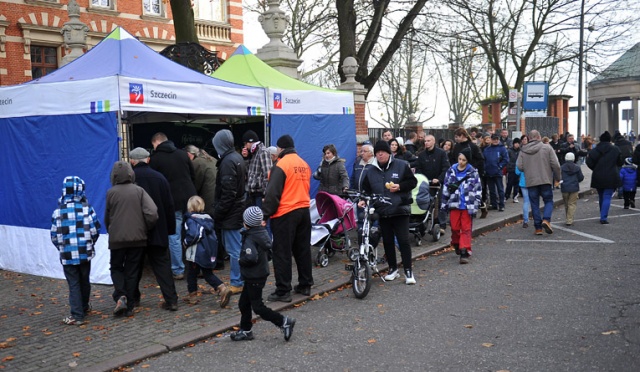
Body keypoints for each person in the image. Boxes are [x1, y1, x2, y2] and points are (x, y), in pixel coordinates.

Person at [230, 206, 296, 342]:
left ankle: (283, 321)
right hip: (256, 275)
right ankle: (246, 330)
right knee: (244, 303)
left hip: (254, 276)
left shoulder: (250, 238)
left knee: (258, 307)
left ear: (246, 222)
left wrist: (240, 260)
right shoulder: (261, 233)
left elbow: (250, 257)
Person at [263, 135, 314, 302]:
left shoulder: (280, 165)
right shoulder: (304, 164)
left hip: (285, 213)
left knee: (282, 252)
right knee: (302, 250)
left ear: (280, 148)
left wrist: (265, 214)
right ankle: (305, 285)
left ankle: (283, 290)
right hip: (304, 210)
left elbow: (272, 193)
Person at [105, 161, 158, 317]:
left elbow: (107, 217)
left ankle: (121, 295)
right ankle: (130, 304)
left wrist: (111, 230)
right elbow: (152, 213)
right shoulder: (139, 191)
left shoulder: (111, 193)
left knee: (116, 267)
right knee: (132, 270)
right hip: (137, 238)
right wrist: (145, 227)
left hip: (117, 239)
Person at [360, 140, 418, 284]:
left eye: (383, 152)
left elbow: (412, 182)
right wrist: (363, 199)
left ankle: (408, 272)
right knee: (387, 241)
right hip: (383, 211)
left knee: (404, 241)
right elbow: (366, 189)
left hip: (400, 210)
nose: (380, 155)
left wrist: (399, 187)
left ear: (388, 153)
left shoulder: (401, 165)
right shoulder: (371, 170)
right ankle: (393, 269)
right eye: (377, 153)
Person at [129, 147, 179, 311]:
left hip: (136, 232)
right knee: (163, 267)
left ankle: (133, 299)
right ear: (148, 160)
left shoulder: (130, 180)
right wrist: (170, 230)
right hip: (158, 230)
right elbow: (169, 206)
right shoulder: (160, 178)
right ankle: (171, 300)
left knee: (134, 267)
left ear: (132, 161)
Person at [51, 176, 101, 325]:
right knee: (84, 281)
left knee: (73, 283)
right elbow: (95, 230)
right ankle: (84, 307)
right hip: (85, 252)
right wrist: (90, 244)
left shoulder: (58, 212)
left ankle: (77, 315)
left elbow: (54, 235)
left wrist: (62, 247)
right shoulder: (87, 209)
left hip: (67, 254)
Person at [149, 132, 197, 280]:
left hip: (172, 201)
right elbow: (192, 175)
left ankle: (178, 269)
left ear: (156, 143)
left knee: (174, 236)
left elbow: (154, 183)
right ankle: (196, 265)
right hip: (190, 199)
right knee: (194, 233)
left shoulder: (156, 159)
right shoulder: (183, 154)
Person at [212, 129, 247, 294]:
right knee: (236, 247)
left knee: (234, 249)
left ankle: (237, 281)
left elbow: (228, 194)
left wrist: (216, 213)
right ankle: (240, 279)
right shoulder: (237, 157)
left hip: (231, 213)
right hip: (237, 210)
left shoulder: (227, 162)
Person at [182, 196, 231, 308]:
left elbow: (194, 234)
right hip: (207, 251)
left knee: (192, 274)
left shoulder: (191, 220)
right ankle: (222, 287)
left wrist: (185, 242)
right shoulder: (208, 219)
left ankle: (193, 295)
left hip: (196, 252)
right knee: (207, 273)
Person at [184, 145, 225, 269]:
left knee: (207, 234)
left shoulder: (197, 163)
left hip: (206, 203)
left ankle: (208, 261)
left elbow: (195, 185)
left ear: (189, 154)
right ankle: (219, 260)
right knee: (217, 232)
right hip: (217, 201)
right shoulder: (211, 159)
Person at [440, 149, 482, 264]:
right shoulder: (451, 171)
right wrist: (444, 203)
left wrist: (477, 202)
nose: (461, 162)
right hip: (454, 204)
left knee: (466, 228)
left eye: (464, 160)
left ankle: (464, 250)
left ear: (468, 161)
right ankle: (457, 243)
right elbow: (446, 187)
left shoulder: (473, 172)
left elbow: (478, 188)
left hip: (468, 205)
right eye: (460, 159)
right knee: (454, 227)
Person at [516, 130, 561, 235]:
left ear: (529, 138)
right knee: (548, 201)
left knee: (534, 204)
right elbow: (556, 165)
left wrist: (528, 169)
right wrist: (558, 178)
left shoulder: (523, 150)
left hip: (531, 181)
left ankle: (538, 228)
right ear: (539, 137)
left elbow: (519, 166)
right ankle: (546, 219)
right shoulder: (547, 148)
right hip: (545, 179)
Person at [415, 134, 450, 233]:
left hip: (439, 182)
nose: (426, 143)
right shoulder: (421, 155)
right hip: (426, 183)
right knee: (426, 202)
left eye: (429, 141)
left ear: (434, 142)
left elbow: (446, 168)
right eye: (425, 141)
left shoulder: (441, 153)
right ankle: (423, 223)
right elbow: (419, 169)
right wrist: (423, 179)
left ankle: (441, 224)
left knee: (441, 203)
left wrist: (439, 179)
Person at [586, 131, 623, 224]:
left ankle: (602, 213)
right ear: (609, 140)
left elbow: (589, 162)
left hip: (598, 175)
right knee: (607, 196)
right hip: (611, 175)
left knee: (601, 196)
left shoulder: (595, 150)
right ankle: (603, 216)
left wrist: (595, 168)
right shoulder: (615, 149)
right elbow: (620, 162)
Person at [450, 128, 487, 218]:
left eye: (457, 137)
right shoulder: (456, 147)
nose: (456, 139)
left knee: (472, 192)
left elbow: (480, 159)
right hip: (459, 172)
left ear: (462, 136)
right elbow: (453, 158)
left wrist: (477, 171)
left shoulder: (472, 146)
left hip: (471, 173)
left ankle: (482, 206)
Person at [241, 130, 272, 208]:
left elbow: (268, 174)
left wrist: (265, 195)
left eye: (245, 144)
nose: (245, 147)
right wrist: (246, 158)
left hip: (260, 194)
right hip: (253, 193)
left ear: (251, 142)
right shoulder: (254, 154)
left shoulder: (263, 152)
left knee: (259, 219)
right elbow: (248, 173)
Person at [483, 134, 509, 211]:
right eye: (494, 139)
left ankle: (501, 205)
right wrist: (485, 168)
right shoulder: (487, 149)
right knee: (491, 190)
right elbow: (484, 159)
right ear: (491, 139)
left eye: (497, 139)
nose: (495, 140)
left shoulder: (502, 148)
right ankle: (493, 204)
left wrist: (500, 166)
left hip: (497, 172)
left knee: (500, 189)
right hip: (488, 172)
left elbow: (506, 159)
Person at [560, 152, 584, 226]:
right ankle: (569, 219)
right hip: (574, 187)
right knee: (572, 204)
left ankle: (568, 218)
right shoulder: (577, 167)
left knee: (566, 203)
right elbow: (581, 177)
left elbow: (558, 176)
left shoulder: (562, 167)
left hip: (564, 187)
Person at [613, 131, 634, 199]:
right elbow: (631, 152)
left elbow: (615, 154)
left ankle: (620, 193)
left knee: (620, 178)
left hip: (619, 162)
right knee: (628, 177)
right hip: (628, 161)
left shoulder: (616, 144)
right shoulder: (628, 142)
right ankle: (630, 193)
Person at [505, 137, 521, 203]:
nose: (517, 144)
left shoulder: (520, 151)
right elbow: (507, 159)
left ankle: (515, 196)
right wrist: (509, 166)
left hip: (518, 169)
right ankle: (506, 196)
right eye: (516, 143)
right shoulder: (509, 151)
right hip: (511, 169)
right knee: (509, 183)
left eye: (518, 143)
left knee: (516, 184)